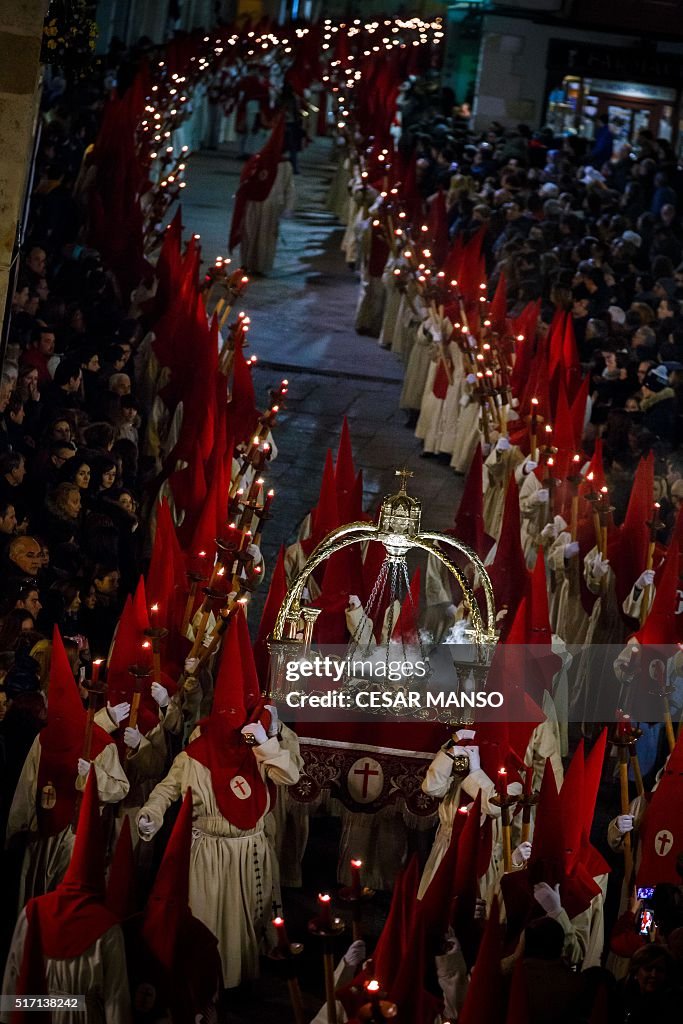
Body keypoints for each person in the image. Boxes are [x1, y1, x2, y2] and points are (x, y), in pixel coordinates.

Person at [136, 610, 299, 989]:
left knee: (248, 920)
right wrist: (151, 814)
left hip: (251, 847)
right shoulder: (195, 755)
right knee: (212, 922)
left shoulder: (258, 751)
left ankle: (248, 981)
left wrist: (266, 743)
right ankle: (210, 986)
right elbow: (166, 789)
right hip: (209, 854)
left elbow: (289, 776)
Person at [1, 770, 132, 1024]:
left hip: (37, 1014)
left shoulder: (33, 912)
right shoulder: (107, 928)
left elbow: (11, 981)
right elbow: (116, 1001)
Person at [229, 114, 295, 275]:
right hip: (255, 202)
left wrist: (288, 207)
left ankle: (260, 266)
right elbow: (246, 181)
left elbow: (289, 188)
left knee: (264, 236)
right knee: (251, 234)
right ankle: (249, 264)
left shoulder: (284, 165)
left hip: (271, 204)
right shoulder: (257, 161)